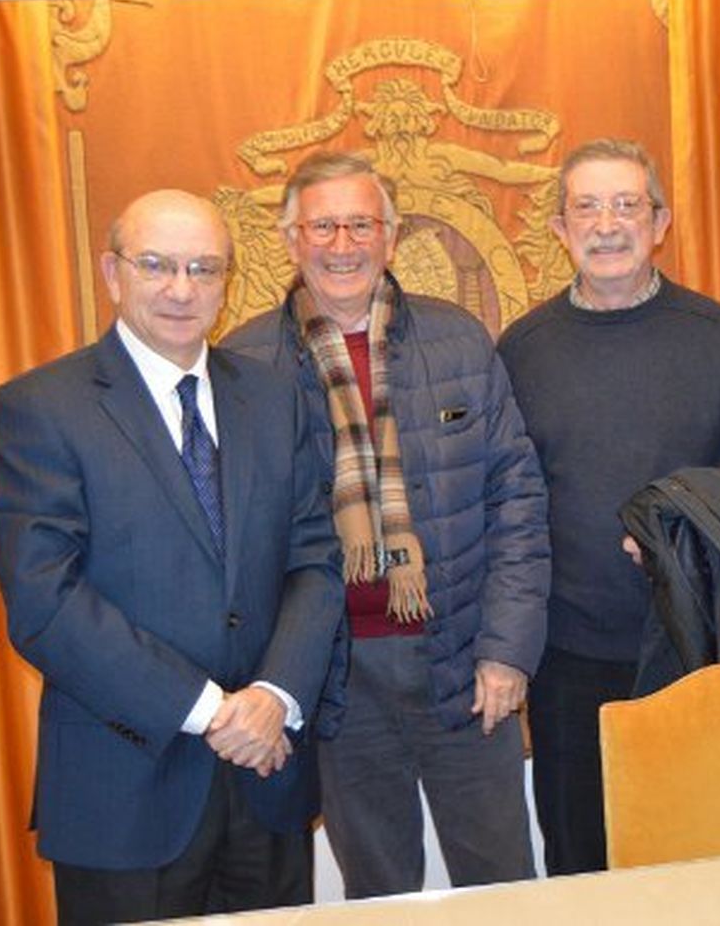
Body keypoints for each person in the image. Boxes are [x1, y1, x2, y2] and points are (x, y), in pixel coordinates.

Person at [0, 190, 344, 923]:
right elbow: (45, 602)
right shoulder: (41, 407)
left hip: (266, 780)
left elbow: (316, 559)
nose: (182, 289)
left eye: (203, 268)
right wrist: (214, 712)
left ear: (227, 281)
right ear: (113, 273)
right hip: (125, 792)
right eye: (157, 265)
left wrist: (274, 697)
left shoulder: (277, 399)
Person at [223, 152, 549, 898]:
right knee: (380, 894)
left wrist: (507, 650)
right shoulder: (244, 363)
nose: (343, 244)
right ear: (290, 237)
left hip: (465, 665)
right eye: (324, 225)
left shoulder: (459, 339)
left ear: (392, 235)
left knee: (506, 888)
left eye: (361, 224)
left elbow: (517, 499)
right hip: (338, 682)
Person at [496, 137, 720, 874]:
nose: (607, 224)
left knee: (706, 859)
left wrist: (682, 528)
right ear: (560, 230)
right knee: (582, 862)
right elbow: (503, 497)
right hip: (570, 661)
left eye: (627, 204)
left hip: (704, 649)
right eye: (587, 207)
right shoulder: (523, 349)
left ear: (660, 222)